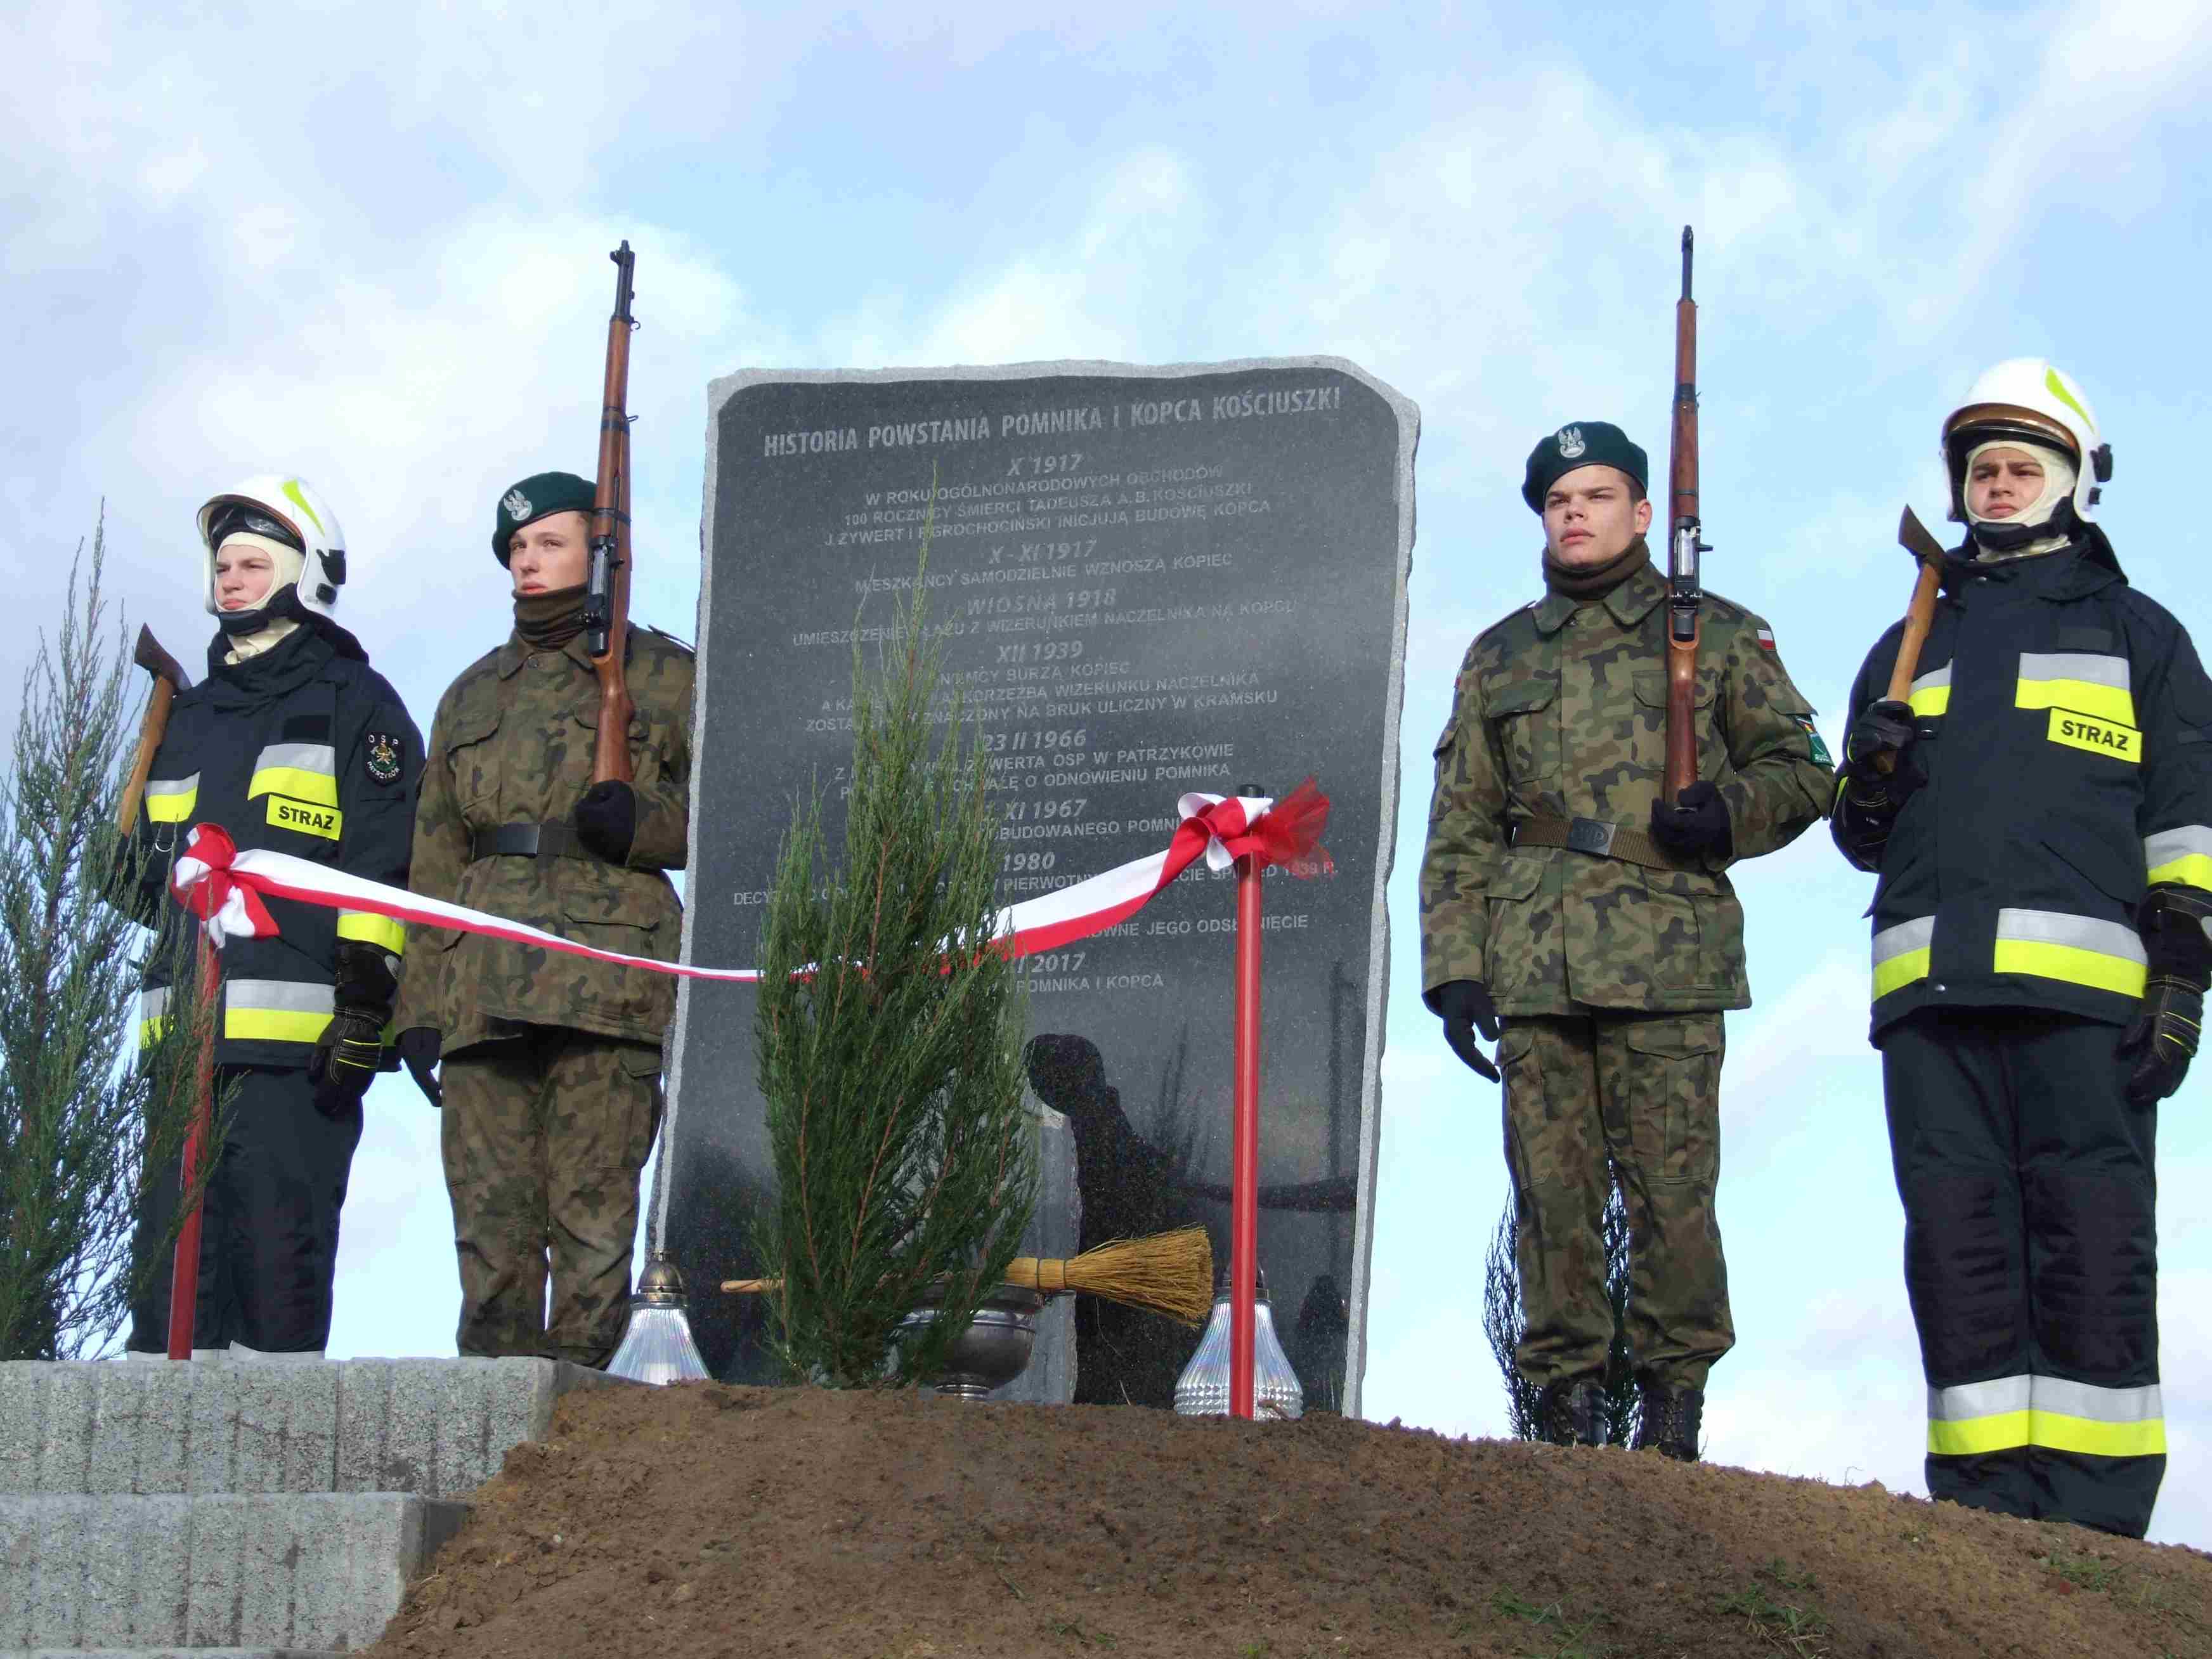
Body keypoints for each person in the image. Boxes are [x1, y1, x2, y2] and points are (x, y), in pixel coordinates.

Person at [1830, 360, 2210, 1538]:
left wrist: (2186, 978)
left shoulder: (2140, 635)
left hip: (2090, 1004)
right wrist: (1874, 776)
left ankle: (2097, 1521)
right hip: (1930, 1001)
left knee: (2092, 1244)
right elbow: (1858, 837)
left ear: (2074, 483)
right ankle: (1983, 1515)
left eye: (2020, 469)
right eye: (1981, 471)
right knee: (1956, 1247)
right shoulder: (1910, 644)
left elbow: (2189, 819)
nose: (1997, 487)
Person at [1419, 422, 1830, 1457]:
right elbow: (1461, 820)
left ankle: (1673, 1416)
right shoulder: (1501, 654)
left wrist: (1729, 814)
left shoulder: (1717, 634)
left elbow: (1804, 770)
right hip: (1536, 959)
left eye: (1599, 496)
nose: (1577, 514)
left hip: (1667, 954)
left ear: (1642, 513)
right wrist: (1455, 970)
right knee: (1551, 1198)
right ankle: (1560, 1416)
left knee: (1672, 1195)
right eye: (1560, 500)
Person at [117, 474, 422, 1358]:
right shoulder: (189, 716)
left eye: (254, 563)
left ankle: (267, 1464)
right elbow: (154, 891)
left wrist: (367, 1004)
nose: (232, 580)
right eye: (223, 565)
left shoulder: (354, 704)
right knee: (166, 1286)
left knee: (275, 1275)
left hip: (298, 1054)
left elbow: (384, 868)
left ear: (305, 574)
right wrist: (110, 860)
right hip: (181, 1047)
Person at [394, 471, 693, 1368]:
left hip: (610, 984)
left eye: (549, 543)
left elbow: (734, 812)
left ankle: (582, 1444)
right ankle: (491, 1447)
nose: (528, 563)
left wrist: (645, 824)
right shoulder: (472, 693)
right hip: (482, 986)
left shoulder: (665, 676)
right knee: (489, 1246)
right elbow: (435, 854)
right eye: (516, 549)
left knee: (594, 1236)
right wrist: (418, 1006)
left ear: (601, 554)